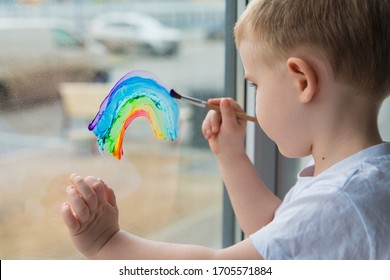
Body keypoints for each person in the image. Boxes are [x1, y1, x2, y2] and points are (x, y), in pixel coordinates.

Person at [61, 0, 390, 259]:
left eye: (256, 84)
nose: (253, 96)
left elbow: (224, 266)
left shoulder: (341, 200)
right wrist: (232, 155)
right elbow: (276, 236)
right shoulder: (360, 180)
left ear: (301, 81)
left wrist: (106, 244)